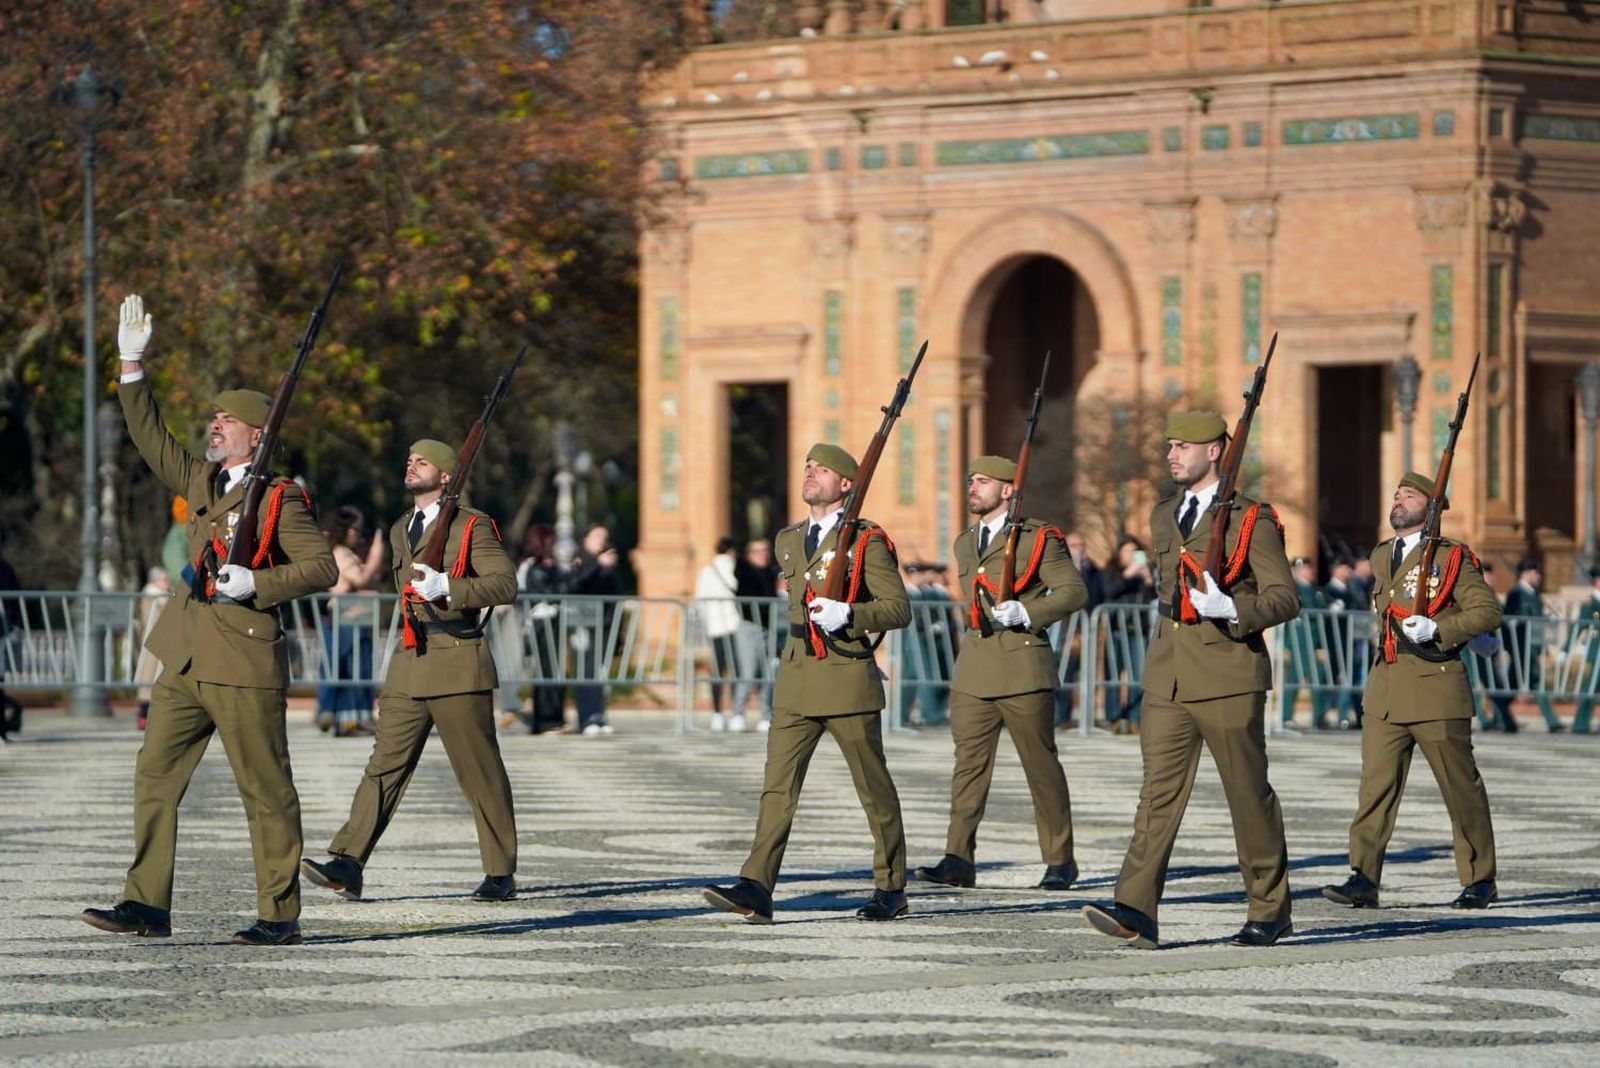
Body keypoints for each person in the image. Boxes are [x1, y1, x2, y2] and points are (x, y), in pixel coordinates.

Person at [83, 294, 336, 946]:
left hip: (244, 659)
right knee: (154, 775)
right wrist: (131, 365)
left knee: (264, 789)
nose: (215, 425)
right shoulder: (199, 480)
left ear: (259, 434)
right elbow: (148, 437)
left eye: (229, 420)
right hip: (186, 654)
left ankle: (279, 913)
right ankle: (146, 903)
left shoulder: (283, 498)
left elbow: (321, 569)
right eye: (215, 416)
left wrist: (258, 582)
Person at [1083, 410, 1299, 950]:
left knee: (1247, 795)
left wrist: (1232, 607)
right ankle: (1136, 909)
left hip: (1227, 670)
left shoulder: (1254, 520)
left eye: (1184, 446)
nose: (1172, 454)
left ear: (1215, 452)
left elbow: (1285, 597)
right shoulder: (1163, 516)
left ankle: (1269, 910)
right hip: (1169, 674)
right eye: (1170, 444)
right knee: (1157, 795)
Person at [301, 439, 521, 904]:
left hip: (457, 659)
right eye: (409, 458)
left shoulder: (471, 525)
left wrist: (450, 586)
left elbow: (504, 584)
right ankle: (348, 860)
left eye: (422, 461)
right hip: (410, 659)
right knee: (384, 766)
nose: (411, 463)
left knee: (478, 771)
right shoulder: (403, 526)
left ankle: (500, 871)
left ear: (445, 476)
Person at [701, 443, 913, 923]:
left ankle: (891, 886)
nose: (811, 474)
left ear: (845, 485)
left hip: (845, 676)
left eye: (823, 470)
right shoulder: (788, 539)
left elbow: (898, 608)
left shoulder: (866, 540)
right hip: (797, 674)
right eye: (808, 467)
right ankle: (756, 885)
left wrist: (851, 613)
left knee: (872, 787)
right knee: (776, 787)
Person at [1322, 472, 1503, 911]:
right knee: (1375, 789)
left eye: (1411, 495)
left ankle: (1480, 878)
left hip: (1435, 687)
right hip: (1385, 689)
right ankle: (1363, 876)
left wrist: (1440, 627)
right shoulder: (1383, 554)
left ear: (1434, 507)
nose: (1399, 499)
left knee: (1460, 788)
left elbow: (1486, 613)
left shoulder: (1452, 557)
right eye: (1397, 493)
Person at [915, 455, 1087, 893]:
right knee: (967, 767)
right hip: (974, 665)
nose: (972, 486)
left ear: (1008, 490)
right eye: (970, 479)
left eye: (983, 481)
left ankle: (1060, 859)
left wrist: (1028, 610)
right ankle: (958, 856)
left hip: (1023, 664)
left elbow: (1072, 591)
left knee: (1040, 765)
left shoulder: (1038, 538)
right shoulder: (964, 542)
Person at [318, 505, 387, 736]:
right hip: (345, 618)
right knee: (348, 669)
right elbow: (361, 579)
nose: (358, 534)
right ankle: (347, 716)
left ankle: (353, 718)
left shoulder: (347, 553)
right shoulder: (341, 553)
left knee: (357, 669)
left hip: (355, 618)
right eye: (355, 529)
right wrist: (378, 547)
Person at [1496, 558, 1564, 732]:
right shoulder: (1516, 593)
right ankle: (1551, 721)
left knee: (1517, 684)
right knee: (1529, 683)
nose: (1539, 576)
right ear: (1526, 574)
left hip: (1532, 646)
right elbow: (1509, 619)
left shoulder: (1534, 594)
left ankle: (1501, 717)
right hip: (1520, 646)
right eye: (1536, 572)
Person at [569, 524, 620, 735]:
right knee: (584, 670)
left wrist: (609, 568)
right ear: (586, 538)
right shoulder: (580, 559)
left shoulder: (606, 561)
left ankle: (599, 714)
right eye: (597, 535)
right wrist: (598, 565)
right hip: (581, 622)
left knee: (600, 672)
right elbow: (576, 585)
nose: (602, 540)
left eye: (605, 536)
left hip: (603, 623)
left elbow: (614, 591)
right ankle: (586, 717)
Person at [518, 523, 569, 734]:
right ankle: (546, 719)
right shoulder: (532, 567)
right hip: (541, 621)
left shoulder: (550, 567)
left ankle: (554, 717)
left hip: (553, 620)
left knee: (555, 670)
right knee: (546, 671)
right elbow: (548, 592)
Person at [1098, 535, 1153, 732]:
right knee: (1113, 674)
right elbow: (1109, 591)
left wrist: (1147, 577)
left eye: (1134, 551)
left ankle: (1134, 718)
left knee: (1138, 675)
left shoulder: (1145, 572)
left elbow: (1154, 594)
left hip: (1139, 629)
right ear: (1119, 553)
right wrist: (1128, 574)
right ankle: (1114, 718)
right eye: (1127, 551)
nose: (1131, 555)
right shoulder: (1111, 571)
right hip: (1116, 629)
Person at [695, 536, 747, 731]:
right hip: (735, 623)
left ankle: (717, 714)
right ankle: (736, 714)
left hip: (714, 626)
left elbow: (700, 600)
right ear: (732, 551)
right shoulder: (736, 568)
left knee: (717, 671)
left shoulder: (706, 571)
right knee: (737, 670)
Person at [733, 537, 782, 730]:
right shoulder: (744, 571)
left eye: (766, 551)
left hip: (769, 627)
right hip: (748, 625)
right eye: (758, 551)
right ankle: (738, 713)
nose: (763, 555)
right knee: (748, 671)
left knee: (769, 671)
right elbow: (737, 568)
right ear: (749, 554)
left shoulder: (772, 573)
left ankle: (765, 714)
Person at [1056, 531, 1103, 728]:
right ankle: (1061, 717)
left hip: (1087, 628)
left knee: (1088, 674)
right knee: (1063, 673)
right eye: (1073, 545)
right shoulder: (1059, 567)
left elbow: (1099, 596)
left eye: (1080, 545)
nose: (1078, 549)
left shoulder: (1092, 569)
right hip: (1064, 628)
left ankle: (1086, 718)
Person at [1283, 556, 1335, 728]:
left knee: (1317, 677)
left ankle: (1319, 716)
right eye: (1306, 568)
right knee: (1295, 678)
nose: (1310, 572)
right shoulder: (1293, 588)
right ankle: (1286, 717)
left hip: (1313, 640)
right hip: (1299, 640)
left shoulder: (1314, 589)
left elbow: (1323, 605)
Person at [1324, 554, 1366, 727]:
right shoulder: (1328, 591)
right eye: (1344, 567)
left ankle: (1349, 714)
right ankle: (1337, 714)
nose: (1348, 571)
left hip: (1351, 640)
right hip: (1336, 640)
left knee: (1351, 677)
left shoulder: (1351, 590)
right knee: (1339, 677)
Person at [132, 566, 173, 731]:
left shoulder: (165, 596)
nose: (167, 582)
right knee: (148, 680)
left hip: (162, 643)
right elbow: (151, 618)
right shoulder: (152, 596)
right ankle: (144, 715)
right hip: (153, 645)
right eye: (164, 579)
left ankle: (153, 716)